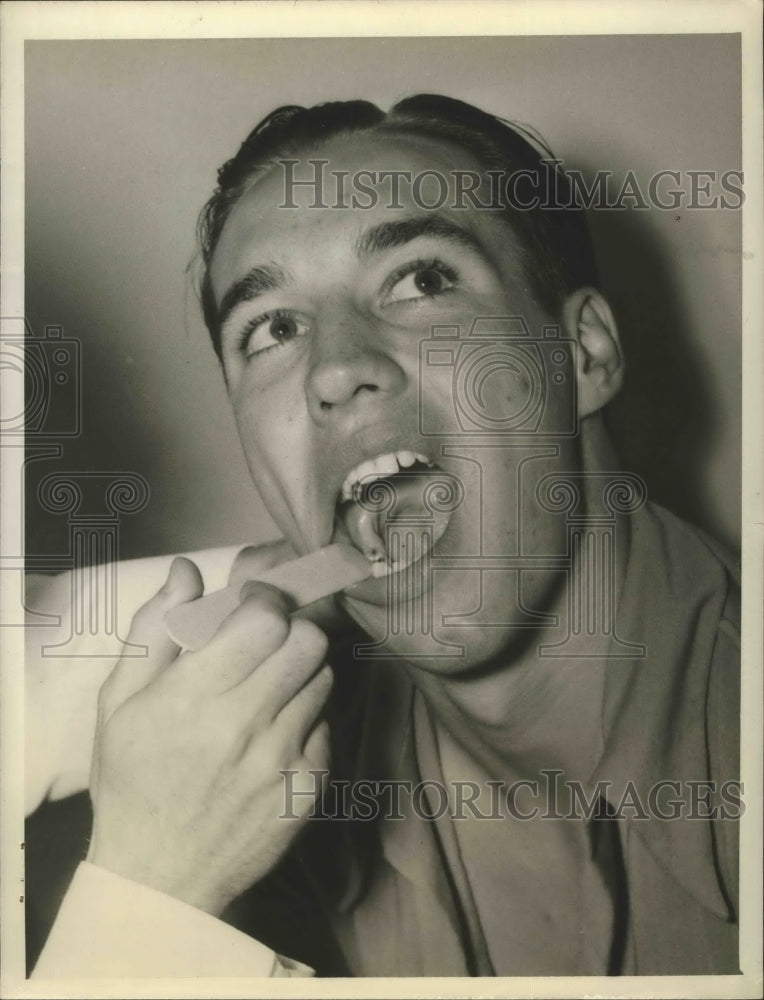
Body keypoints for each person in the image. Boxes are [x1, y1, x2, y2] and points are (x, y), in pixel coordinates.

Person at [25, 95, 740, 978]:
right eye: (273, 329)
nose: (333, 367)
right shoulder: (278, 824)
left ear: (583, 354)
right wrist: (153, 896)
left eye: (423, 279)